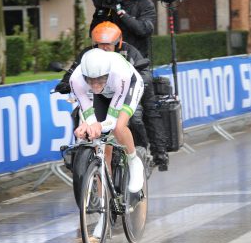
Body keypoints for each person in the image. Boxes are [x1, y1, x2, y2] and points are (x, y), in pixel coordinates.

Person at [55, 21, 170, 170]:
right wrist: (65, 83)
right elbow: (74, 70)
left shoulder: (128, 51)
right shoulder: (88, 54)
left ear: (118, 42)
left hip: (125, 88)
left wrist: (145, 78)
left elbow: (144, 71)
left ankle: (142, 149)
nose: (104, 48)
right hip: (101, 91)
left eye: (108, 44)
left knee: (130, 120)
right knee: (84, 118)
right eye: (99, 44)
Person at [69, 48, 145, 193]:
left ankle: (134, 160)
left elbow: (112, 120)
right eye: (90, 81)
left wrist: (96, 126)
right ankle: (104, 198)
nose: (95, 85)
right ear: (84, 76)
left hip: (128, 88)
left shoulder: (120, 74)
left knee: (118, 127)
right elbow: (87, 110)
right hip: (105, 94)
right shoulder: (75, 79)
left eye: (100, 79)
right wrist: (89, 126)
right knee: (101, 146)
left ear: (107, 74)